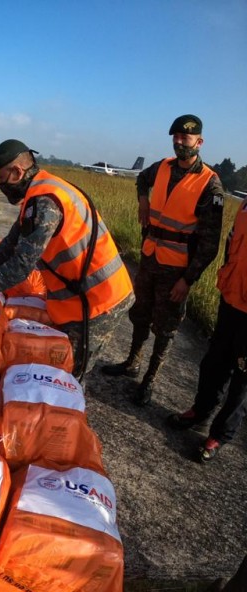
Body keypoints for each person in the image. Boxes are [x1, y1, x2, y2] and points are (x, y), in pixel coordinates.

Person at [0, 140, 135, 379]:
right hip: (80, 294)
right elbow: (11, 244)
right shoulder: (38, 191)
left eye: (1, 178)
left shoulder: (45, 202)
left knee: (70, 372)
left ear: (17, 172)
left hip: (98, 299)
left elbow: (20, 266)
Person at [102, 115, 224, 405]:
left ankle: (150, 380)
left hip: (176, 268)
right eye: (177, 137)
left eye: (187, 138)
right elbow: (142, 179)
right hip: (149, 257)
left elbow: (209, 245)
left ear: (200, 142)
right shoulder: (162, 167)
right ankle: (132, 362)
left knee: (166, 328)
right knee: (140, 313)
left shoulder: (210, 184)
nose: (180, 142)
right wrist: (143, 199)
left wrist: (187, 280)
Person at [166, 192, 247, 462]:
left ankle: (218, 436)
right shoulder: (246, 204)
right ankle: (200, 412)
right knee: (214, 362)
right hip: (231, 299)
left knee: (242, 380)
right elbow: (232, 242)